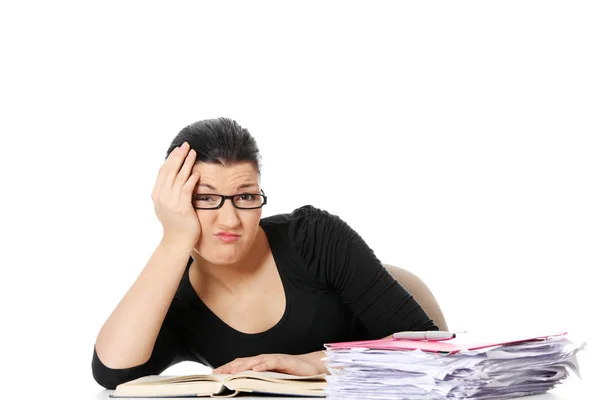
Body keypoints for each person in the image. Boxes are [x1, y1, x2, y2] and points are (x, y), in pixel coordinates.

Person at [91, 117, 439, 390]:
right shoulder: (174, 297)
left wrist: (314, 363)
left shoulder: (313, 237)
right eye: (206, 197)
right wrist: (174, 238)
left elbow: (429, 347)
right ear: (174, 201)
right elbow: (113, 373)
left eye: (245, 196)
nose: (230, 219)